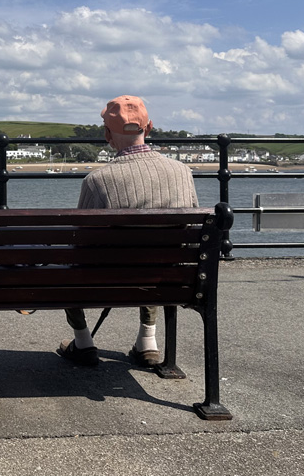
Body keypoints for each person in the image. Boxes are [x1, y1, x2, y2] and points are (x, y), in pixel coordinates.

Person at [57, 94, 198, 367]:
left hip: (106, 281)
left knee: (66, 262)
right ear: (150, 127)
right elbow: (188, 231)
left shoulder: (97, 180)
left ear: (108, 135)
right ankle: (148, 341)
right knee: (159, 252)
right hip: (169, 280)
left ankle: (83, 342)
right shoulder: (182, 172)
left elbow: (80, 243)